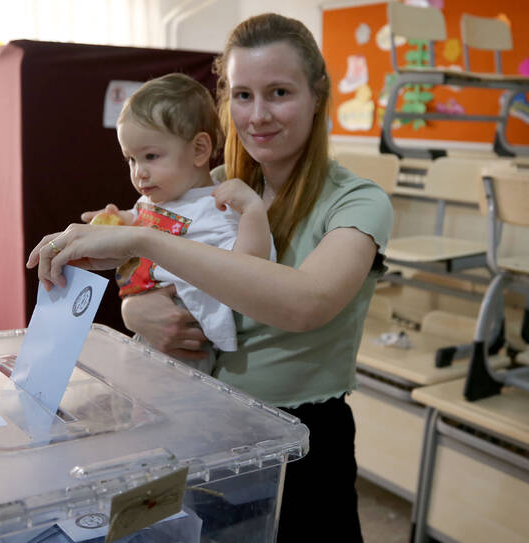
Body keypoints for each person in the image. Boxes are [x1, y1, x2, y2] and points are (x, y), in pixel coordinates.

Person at [28, 12, 393, 543]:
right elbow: (151, 275)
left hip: (302, 444)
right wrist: (135, 307)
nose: (258, 115)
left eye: (279, 93)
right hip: (198, 422)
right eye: (242, 95)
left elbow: (304, 304)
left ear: (318, 95)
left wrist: (144, 240)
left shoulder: (358, 202)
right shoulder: (211, 186)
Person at [93, 72, 276, 374]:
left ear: (199, 150)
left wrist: (253, 212)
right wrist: (117, 218)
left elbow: (249, 267)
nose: (139, 172)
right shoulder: (158, 200)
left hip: (186, 339)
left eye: (151, 156)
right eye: (131, 160)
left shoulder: (215, 208)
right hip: (148, 331)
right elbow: (142, 219)